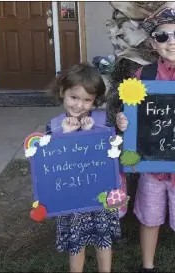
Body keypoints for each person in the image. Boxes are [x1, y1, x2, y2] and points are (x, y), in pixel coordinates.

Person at [115, 8, 175, 273]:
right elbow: (130, 114)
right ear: (152, 43)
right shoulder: (143, 77)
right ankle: (147, 266)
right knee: (150, 216)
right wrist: (123, 121)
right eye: (163, 36)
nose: (172, 41)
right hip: (152, 164)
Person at [47, 63, 124, 273]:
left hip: (100, 195)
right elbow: (51, 165)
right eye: (74, 97)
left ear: (95, 100)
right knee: (76, 242)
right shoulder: (54, 126)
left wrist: (94, 134)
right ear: (63, 92)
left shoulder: (102, 122)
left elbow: (112, 155)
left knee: (103, 239)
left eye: (87, 100)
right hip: (72, 197)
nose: (79, 105)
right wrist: (64, 136)